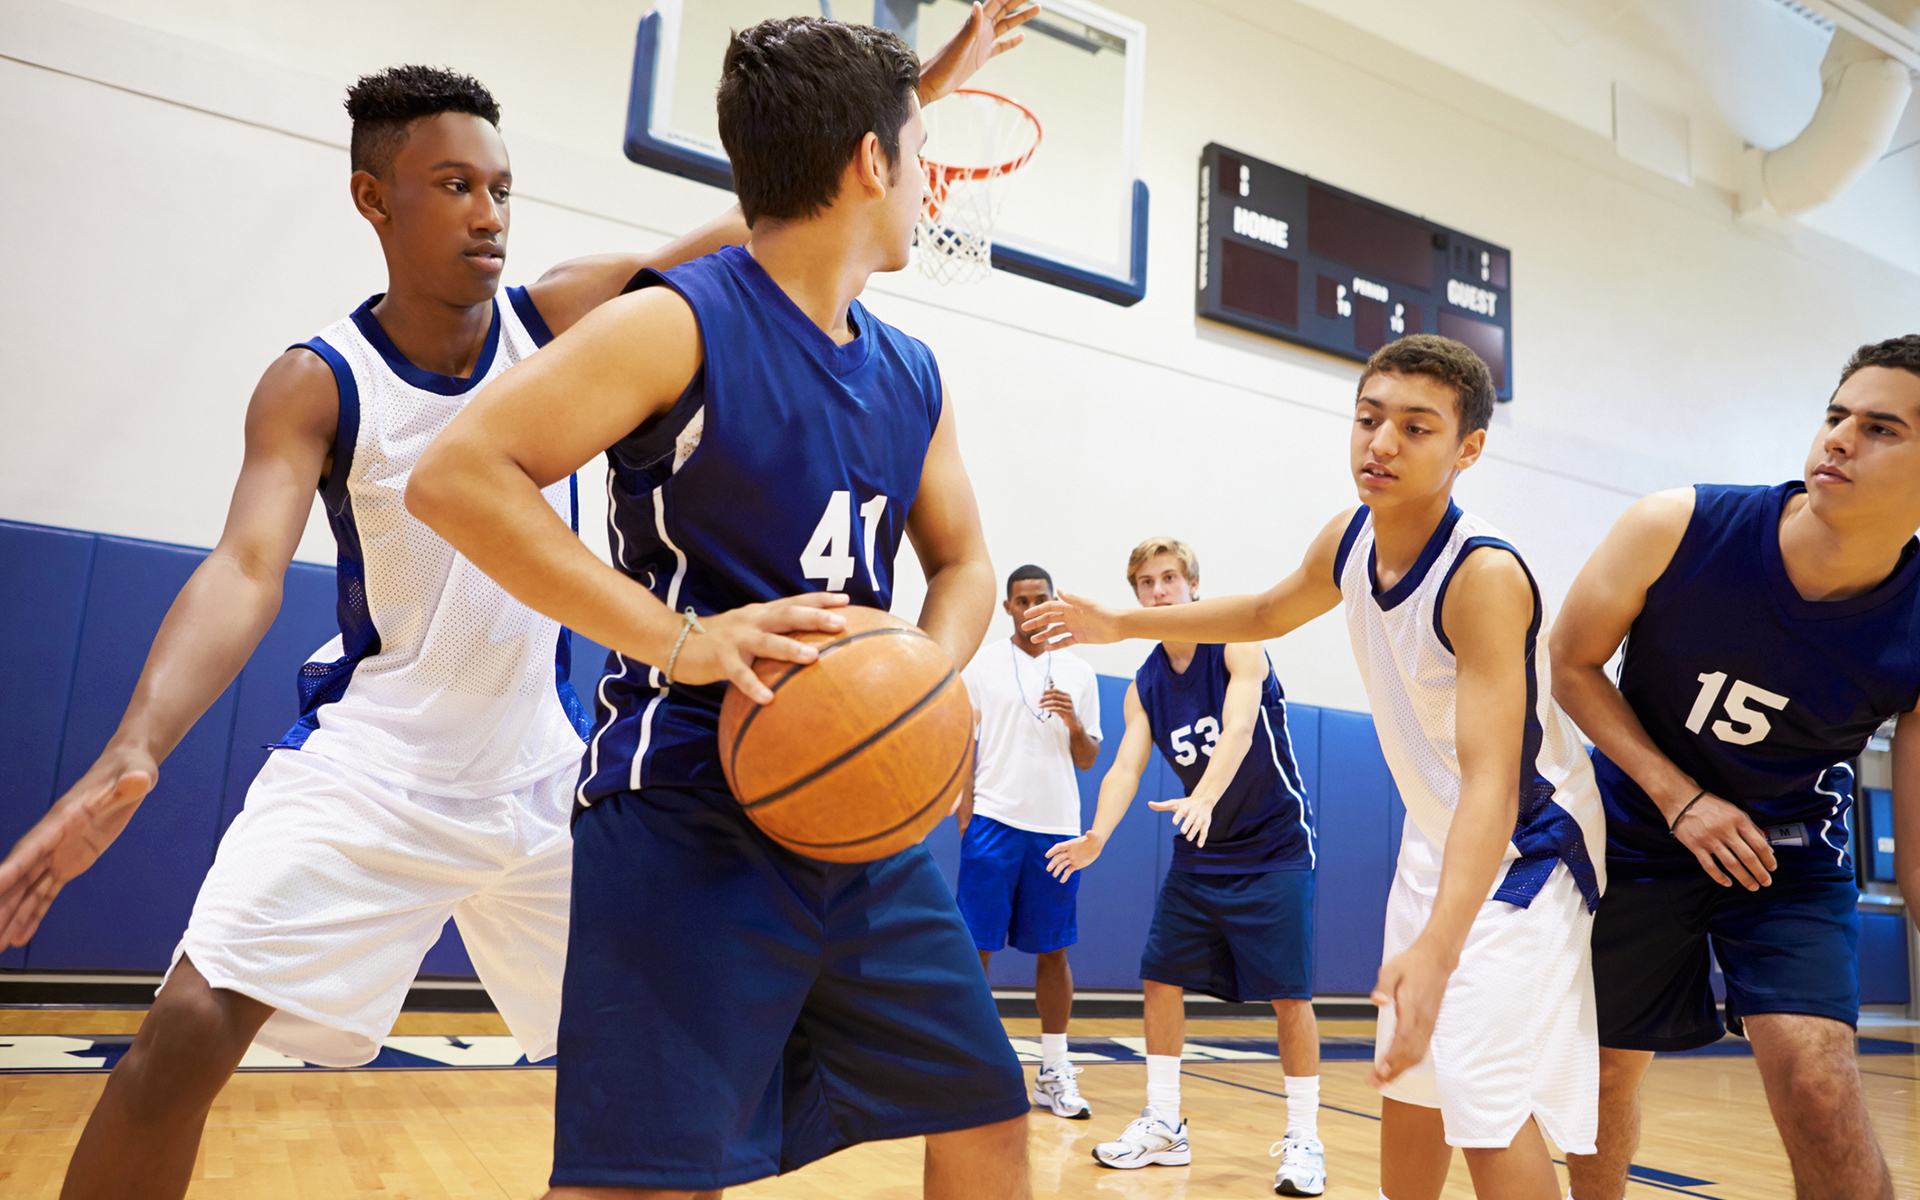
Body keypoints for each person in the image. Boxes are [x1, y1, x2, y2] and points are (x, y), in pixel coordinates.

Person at [0, 12, 1026, 1193]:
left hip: (544, 772)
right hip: (380, 766)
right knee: (186, 1032)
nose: (488, 212)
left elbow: (780, 225)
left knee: (716, 1108)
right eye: (454, 186)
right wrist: (135, 745)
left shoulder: (561, 316)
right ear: (373, 199)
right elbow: (243, 569)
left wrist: (909, 96)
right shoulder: (321, 378)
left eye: (500, 187)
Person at [406, 15, 1036, 1198]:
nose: (929, 182)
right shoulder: (678, 321)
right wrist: (679, 640)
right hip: (688, 801)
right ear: (872, 163)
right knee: (641, 1177)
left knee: (986, 1113)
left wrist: (923, 682)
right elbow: (457, 476)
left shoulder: (912, 373)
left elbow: (962, 567)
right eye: (922, 153)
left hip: (858, 808)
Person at [1026, 335, 1606, 1200]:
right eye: (1370, 419)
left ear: (1469, 449)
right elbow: (1266, 610)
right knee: (1411, 1085)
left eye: (1416, 428)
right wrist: (1121, 623)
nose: (1382, 443)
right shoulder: (1349, 537)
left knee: (1485, 1096)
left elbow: (1493, 781)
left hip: (1525, 845)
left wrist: (1439, 947)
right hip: (1436, 834)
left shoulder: (1483, 576)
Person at [1553, 335, 1920, 1200]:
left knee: (1818, 1083)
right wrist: (1683, 800)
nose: (1839, 439)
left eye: (1880, 428)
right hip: (1638, 832)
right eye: (1836, 416)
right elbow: (1570, 663)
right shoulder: (1676, 525)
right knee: (1604, 1076)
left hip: (1787, 855)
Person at [1045, 536, 1324, 1194]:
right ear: (1137, 596)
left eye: (1170, 578)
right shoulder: (1145, 683)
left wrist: (1205, 795)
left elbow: (1240, 729)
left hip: (1273, 847)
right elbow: (1125, 766)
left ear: (1193, 585)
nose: (1160, 591)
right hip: (1202, 851)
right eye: (1147, 583)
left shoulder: (1236, 642)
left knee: (1290, 996)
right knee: (1160, 978)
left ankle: (1305, 1137)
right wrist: (1098, 834)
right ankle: (1165, 1124)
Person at [958, 563, 1102, 1120]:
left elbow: (1087, 759)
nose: (1031, 608)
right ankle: (973, 1066)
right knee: (976, 947)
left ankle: (1053, 1071)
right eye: (1022, 601)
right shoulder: (983, 665)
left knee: (1054, 949)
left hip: (1057, 828)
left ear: (1053, 602)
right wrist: (966, 817)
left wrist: (1073, 723)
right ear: (1008, 608)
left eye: (1040, 598)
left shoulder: (1080, 671)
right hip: (993, 821)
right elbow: (963, 741)